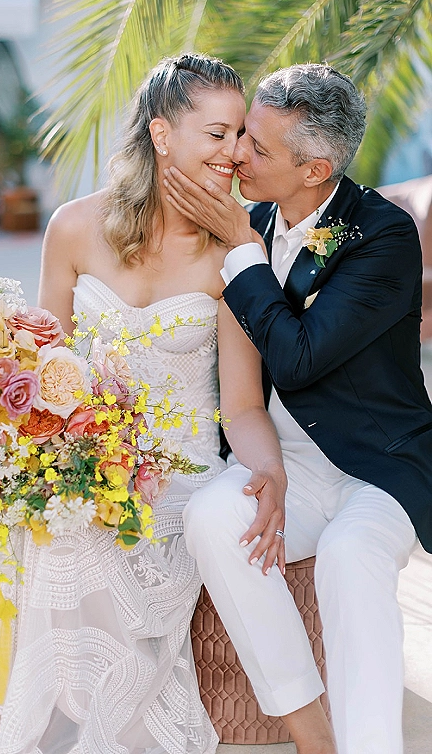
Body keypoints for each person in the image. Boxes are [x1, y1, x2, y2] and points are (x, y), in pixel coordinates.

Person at [0, 53, 288, 754]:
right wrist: (31, 446)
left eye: (240, 135)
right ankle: (22, 717)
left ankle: (93, 728)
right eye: (217, 134)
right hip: (88, 449)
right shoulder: (73, 226)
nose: (235, 154)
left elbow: (244, 405)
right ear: (162, 136)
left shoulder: (238, 245)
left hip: (178, 467)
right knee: (26, 509)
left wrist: (268, 473)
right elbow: (48, 368)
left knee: (97, 532)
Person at [163, 63, 432, 754]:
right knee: (214, 516)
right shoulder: (246, 221)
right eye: (243, 134)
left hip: (380, 467)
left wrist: (245, 255)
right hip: (287, 462)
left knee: (349, 556)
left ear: (316, 170)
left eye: (258, 147)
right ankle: (309, 728)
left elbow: (302, 356)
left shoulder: (381, 235)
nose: (238, 155)